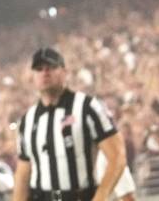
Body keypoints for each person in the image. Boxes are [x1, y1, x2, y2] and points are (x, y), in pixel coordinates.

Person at [13, 47, 127, 201]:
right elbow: (23, 173)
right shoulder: (28, 120)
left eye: (51, 67)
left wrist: (100, 197)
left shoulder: (87, 107)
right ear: (32, 76)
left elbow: (117, 156)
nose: (45, 72)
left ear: (64, 72)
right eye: (39, 69)